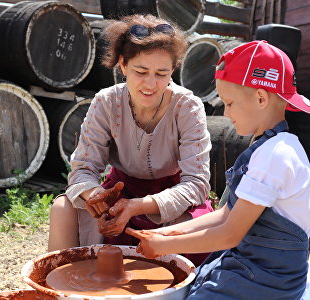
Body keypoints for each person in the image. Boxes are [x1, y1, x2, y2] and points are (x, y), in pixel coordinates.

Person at [126, 40, 310, 299]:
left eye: (230, 103)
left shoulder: (277, 154)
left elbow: (229, 234)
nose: (225, 112)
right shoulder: (268, 146)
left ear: (261, 97)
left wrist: (164, 246)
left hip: (270, 281)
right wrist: (164, 232)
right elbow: (226, 214)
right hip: (253, 267)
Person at [48, 14, 213, 265]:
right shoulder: (106, 101)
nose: (151, 83)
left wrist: (138, 206)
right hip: (118, 192)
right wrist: (95, 196)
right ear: (123, 65)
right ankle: (57, 286)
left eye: (161, 73)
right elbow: (83, 168)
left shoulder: (187, 106)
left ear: (172, 71)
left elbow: (197, 184)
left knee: (190, 229)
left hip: (171, 197)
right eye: (141, 71)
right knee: (62, 208)